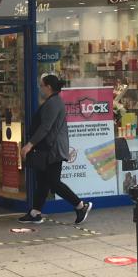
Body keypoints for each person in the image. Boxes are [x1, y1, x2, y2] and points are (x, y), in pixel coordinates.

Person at [18, 74, 92, 226]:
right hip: (49, 148)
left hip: (53, 150)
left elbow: (46, 127)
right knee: (43, 181)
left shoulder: (53, 103)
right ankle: (35, 213)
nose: (40, 88)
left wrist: (29, 145)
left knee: (53, 182)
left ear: (48, 87)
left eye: (42, 85)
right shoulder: (54, 101)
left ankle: (80, 205)